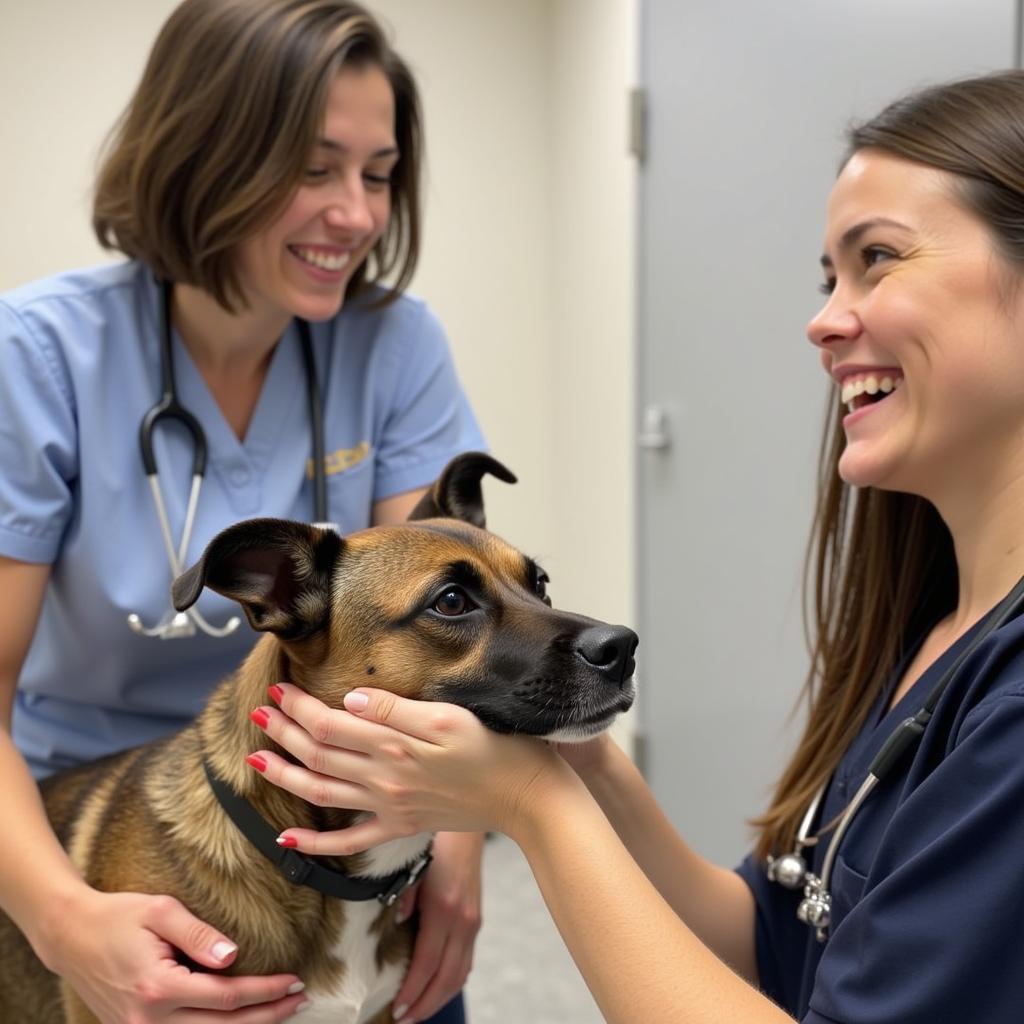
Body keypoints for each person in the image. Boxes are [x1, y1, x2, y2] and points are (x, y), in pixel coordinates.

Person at [247, 68, 1024, 1022]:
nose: (823, 322)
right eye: (829, 277)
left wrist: (534, 808)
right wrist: (587, 762)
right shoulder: (937, 637)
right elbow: (768, 944)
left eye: (879, 259)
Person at [0, 1, 485, 1021]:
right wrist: (61, 919)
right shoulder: (39, 358)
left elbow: (454, 623)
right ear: (203, 153)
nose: (356, 215)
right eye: (312, 169)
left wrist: (458, 841)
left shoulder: (394, 345)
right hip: (85, 825)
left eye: (378, 173)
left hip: (336, 812)